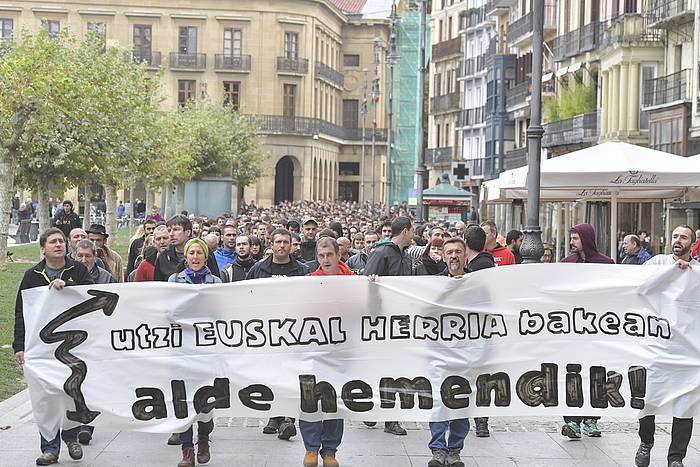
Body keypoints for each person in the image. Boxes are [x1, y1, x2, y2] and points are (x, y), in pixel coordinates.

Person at [13, 228, 93, 466]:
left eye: (61, 241)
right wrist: (19, 346)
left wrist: (67, 287)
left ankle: (71, 437)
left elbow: (89, 297)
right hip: (41, 348)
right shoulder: (32, 275)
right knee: (45, 397)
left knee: (71, 391)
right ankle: (50, 448)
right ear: (43, 248)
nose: (58, 245)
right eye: (52, 242)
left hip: (73, 345)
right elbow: (21, 312)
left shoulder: (77, 270)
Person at [635, 225, 697, 467]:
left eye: (683, 237)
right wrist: (672, 272)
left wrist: (689, 274)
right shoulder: (656, 264)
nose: (678, 240)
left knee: (685, 405)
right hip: (656, 347)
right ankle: (646, 442)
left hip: (688, 352)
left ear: (692, 243)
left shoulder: (698, 272)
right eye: (674, 236)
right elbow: (640, 289)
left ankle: (676, 458)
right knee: (647, 400)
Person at [246, 228, 309, 440]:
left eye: (285, 242)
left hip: (293, 334)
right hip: (266, 334)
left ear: (291, 245)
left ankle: (288, 418)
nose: (282, 246)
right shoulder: (258, 268)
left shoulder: (301, 270)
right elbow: (245, 294)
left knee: (290, 375)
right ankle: (274, 415)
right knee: (270, 374)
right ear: (271, 244)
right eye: (278, 242)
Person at [300, 237, 353, 467]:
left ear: (338, 255)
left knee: (335, 400)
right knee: (310, 398)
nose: (325, 260)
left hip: (342, 352)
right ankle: (311, 448)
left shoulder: (353, 281)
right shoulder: (308, 281)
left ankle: (329, 450)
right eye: (321, 256)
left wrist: (372, 286)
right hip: (314, 351)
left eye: (329, 255)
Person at [167, 238, 220, 467]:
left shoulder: (216, 281)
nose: (196, 257)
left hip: (207, 351)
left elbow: (220, 313)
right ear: (186, 257)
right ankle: (187, 450)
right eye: (192, 253)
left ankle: (204, 438)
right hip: (182, 349)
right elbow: (168, 311)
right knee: (184, 402)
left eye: (200, 253)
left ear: (205, 257)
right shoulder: (174, 280)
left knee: (206, 401)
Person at [560, 222, 614, 440]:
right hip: (571, 329)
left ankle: (592, 420)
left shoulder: (606, 264)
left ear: (586, 238)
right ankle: (572, 420)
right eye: (571, 238)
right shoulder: (566, 263)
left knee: (596, 375)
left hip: (597, 330)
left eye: (575, 238)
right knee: (571, 374)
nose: (572, 242)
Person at [363, 216, 414, 436]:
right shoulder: (381, 252)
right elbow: (367, 284)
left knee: (396, 370)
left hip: (400, 321)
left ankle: (390, 417)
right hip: (381, 321)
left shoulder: (404, 255)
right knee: (380, 369)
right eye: (412, 231)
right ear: (405, 231)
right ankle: (374, 410)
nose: (413, 235)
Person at [428, 236, 474, 467]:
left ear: (465, 256)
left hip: (466, 356)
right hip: (439, 355)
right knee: (438, 402)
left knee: (461, 404)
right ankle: (438, 448)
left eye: (458, 252)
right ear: (443, 257)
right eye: (450, 252)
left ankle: (455, 449)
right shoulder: (433, 285)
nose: (454, 256)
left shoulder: (476, 285)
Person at [154, 215, 220, 282]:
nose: (171, 234)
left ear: (188, 232)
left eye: (176, 229)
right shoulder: (164, 256)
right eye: (169, 230)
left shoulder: (204, 251)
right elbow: (158, 286)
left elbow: (215, 282)